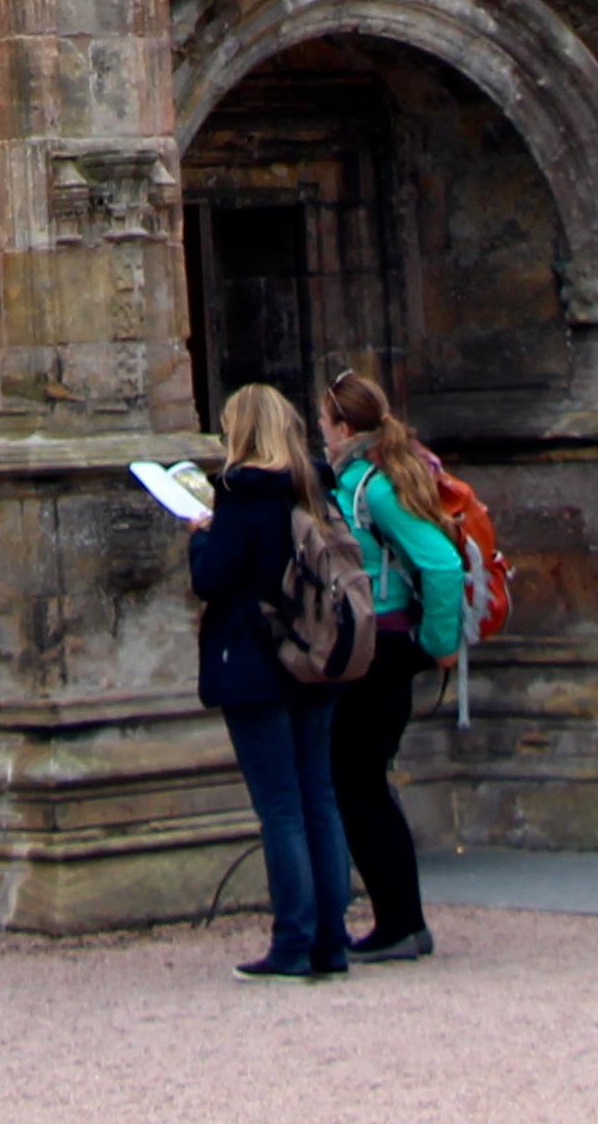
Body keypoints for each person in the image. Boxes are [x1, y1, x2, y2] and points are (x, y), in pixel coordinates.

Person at [186, 380, 356, 979]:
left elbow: (213, 579)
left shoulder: (240, 491)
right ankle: (331, 941)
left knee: (281, 806)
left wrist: (199, 540)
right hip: (315, 652)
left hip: (255, 658)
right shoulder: (314, 483)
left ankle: (292, 940)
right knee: (319, 798)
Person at [321, 367, 471, 964]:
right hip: (373, 647)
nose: (322, 436)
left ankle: (401, 922)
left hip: (380, 650)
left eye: (326, 424)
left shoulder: (373, 487)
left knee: (360, 786)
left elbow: (439, 564)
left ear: (344, 426)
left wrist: (438, 644)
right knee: (359, 784)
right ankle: (396, 919)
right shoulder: (366, 478)